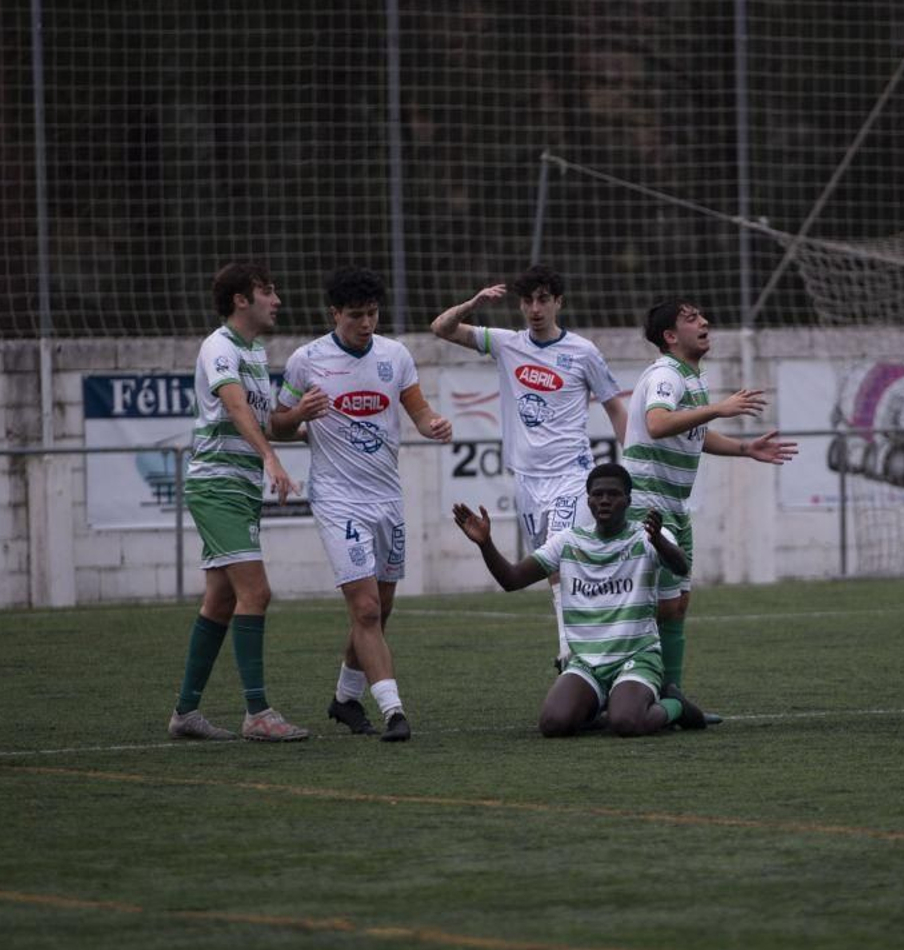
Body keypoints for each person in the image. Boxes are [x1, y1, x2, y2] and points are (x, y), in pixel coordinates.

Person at [273, 266, 452, 742]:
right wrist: (298, 414)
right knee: (367, 609)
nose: (367, 324)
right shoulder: (306, 360)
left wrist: (435, 424)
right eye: (356, 316)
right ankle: (394, 711)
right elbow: (276, 425)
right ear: (335, 314)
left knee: (380, 609)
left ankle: (344, 698)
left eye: (372, 314)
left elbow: (419, 412)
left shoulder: (396, 355)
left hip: (387, 498)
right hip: (338, 500)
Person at [430, 265, 628, 670]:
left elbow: (615, 408)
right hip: (527, 481)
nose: (535, 309)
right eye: (528, 301)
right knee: (548, 567)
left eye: (543, 299)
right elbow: (442, 328)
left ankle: (570, 651)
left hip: (571, 475)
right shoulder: (506, 344)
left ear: (558, 302)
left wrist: (634, 464)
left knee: (561, 559)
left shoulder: (583, 352)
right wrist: (472, 304)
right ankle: (581, 645)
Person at [167, 262, 322, 744]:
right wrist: (272, 458)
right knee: (257, 593)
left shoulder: (255, 352)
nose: (276, 300)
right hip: (216, 485)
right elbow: (235, 408)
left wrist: (304, 420)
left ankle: (185, 713)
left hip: (237, 487)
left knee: (222, 600)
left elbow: (271, 420)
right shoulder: (220, 346)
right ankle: (257, 712)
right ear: (241, 299)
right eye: (267, 291)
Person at [622, 300, 797, 712]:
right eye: (691, 319)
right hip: (648, 506)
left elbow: (693, 433)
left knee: (679, 603)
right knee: (660, 604)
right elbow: (658, 423)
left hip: (673, 506)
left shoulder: (691, 377)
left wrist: (744, 448)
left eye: (703, 315)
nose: (705, 322)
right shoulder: (667, 374)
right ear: (670, 336)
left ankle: (672, 695)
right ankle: (636, 691)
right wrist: (719, 408)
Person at [452, 463, 705, 737]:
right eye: (597, 495)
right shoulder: (568, 541)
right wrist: (485, 543)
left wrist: (660, 543)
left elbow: (680, 567)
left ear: (628, 501)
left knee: (626, 723)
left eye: (613, 494)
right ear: (588, 500)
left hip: (636, 656)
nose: (604, 500)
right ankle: (604, 701)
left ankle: (673, 705)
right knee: (553, 725)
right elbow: (512, 580)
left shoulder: (647, 536)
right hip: (586, 661)